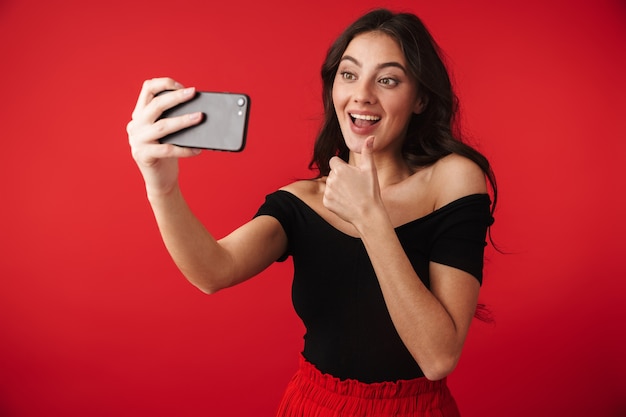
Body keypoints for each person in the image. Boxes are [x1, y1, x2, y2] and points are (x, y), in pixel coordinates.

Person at [127, 8, 496, 417]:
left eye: (388, 80)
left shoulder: (454, 180)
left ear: (421, 98)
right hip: (313, 405)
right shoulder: (303, 200)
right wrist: (161, 184)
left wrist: (370, 218)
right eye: (349, 74)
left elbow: (438, 358)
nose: (363, 95)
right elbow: (213, 271)